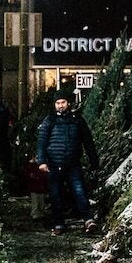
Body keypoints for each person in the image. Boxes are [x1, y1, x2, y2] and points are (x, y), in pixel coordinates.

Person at [35, 92, 99, 235]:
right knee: (55, 194)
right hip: (53, 163)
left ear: (68, 103)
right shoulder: (49, 120)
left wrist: (94, 161)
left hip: (72, 163)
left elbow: (88, 142)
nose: (60, 106)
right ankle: (59, 224)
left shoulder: (77, 120)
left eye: (63, 102)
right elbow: (41, 141)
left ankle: (88, 220)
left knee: (79, 191)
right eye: (57, 103)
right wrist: (42, 161)